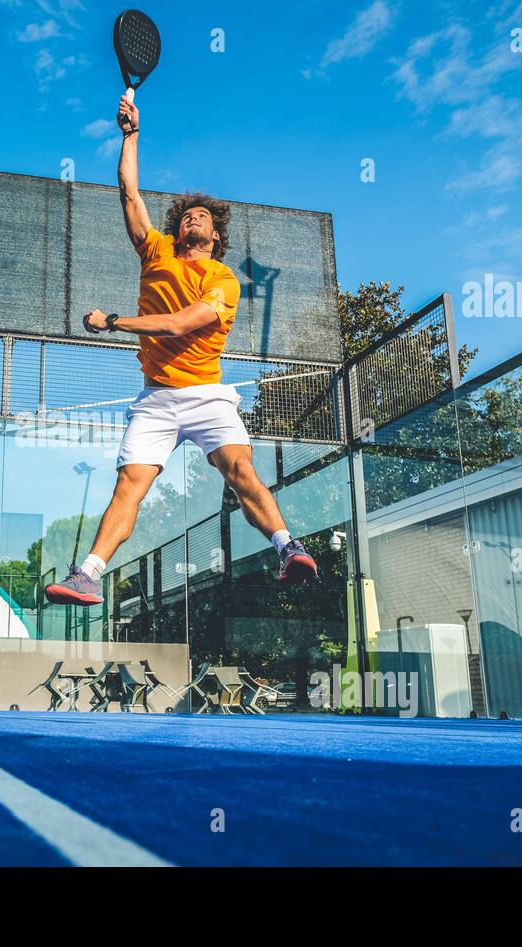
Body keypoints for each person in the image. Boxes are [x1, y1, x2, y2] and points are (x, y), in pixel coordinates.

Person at [44, 93, 317, 607]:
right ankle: (87, 575)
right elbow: (128, 193)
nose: (191, 218)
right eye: (185, 215)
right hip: (156, 400)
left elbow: (176, 325)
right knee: (130, 485)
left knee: (240, 472)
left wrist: (113, 322)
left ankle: (287, 548)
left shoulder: (224, 281)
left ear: (216, 234)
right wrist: (130, 134)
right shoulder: (157, 250)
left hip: (207, 397)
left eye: (200, 216)